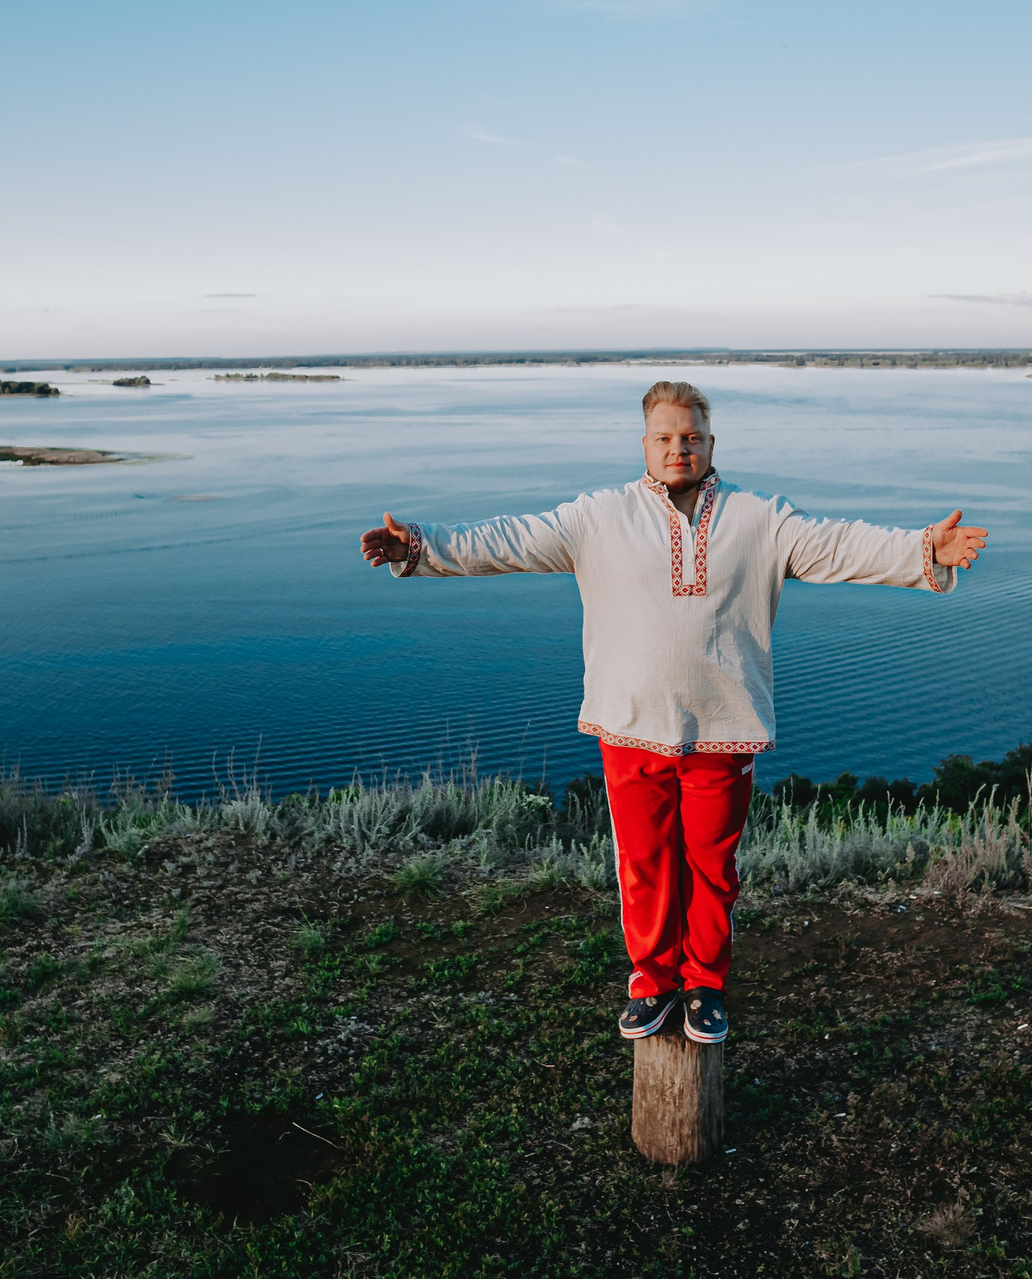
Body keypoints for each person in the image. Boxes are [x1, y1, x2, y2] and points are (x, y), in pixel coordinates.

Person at [358, 379, 986, 1047]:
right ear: (645, 444)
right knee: (645, 863)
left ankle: (704, 985)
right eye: (665, 437)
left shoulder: (759, 518)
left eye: (690, 437)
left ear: (711, 443)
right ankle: (652, 981)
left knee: (712, 868)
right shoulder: (597, 516)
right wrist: (421, 548)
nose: (678, 448)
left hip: (723, 725)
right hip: (630, 723)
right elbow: (507, 539)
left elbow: (840, 546)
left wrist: (922, 552)